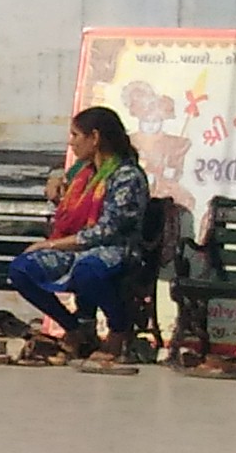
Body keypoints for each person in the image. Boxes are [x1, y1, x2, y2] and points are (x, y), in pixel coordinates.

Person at [9, 106, 155, 358]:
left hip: (117, 249)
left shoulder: (126, 176)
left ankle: (119, 329)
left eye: (76, 135)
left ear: (95, 138)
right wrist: (56, 186)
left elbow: (107, 231)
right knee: (22, 268)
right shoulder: (83, 173)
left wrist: (52, 245)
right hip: (78, 248)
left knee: (88, 269)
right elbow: (75, 214)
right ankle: (75, 328)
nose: (71, 142)